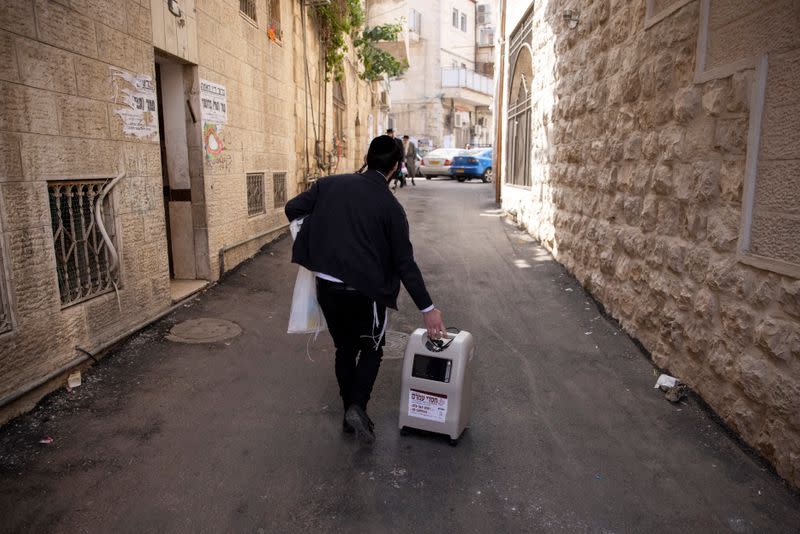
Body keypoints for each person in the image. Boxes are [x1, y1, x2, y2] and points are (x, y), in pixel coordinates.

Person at [284, 135, 446, 445]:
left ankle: (350, 414)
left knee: (344, 349)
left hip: (328, 289)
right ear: (397, 167)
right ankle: (357, 406)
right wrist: (428, 310)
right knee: (372, 347)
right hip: (366, 295)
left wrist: (317, 237)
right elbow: (404, 264)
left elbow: (293, 209)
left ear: (367, 157)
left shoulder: (328, 185)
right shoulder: (391, 208)